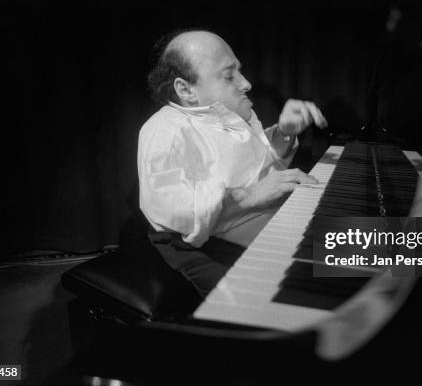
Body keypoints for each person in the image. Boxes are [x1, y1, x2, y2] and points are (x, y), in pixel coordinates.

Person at [139, 29, 328, 296]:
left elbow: (255, 168)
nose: (246, 83)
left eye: (239, 71)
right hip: (220, 249)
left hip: (277, 226)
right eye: (229, 76)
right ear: (185, 89)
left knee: (399, 249)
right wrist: (251, 195)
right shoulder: (164, 129)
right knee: (383, 256)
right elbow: (172, 209)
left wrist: (285, 132)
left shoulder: (228, 115)